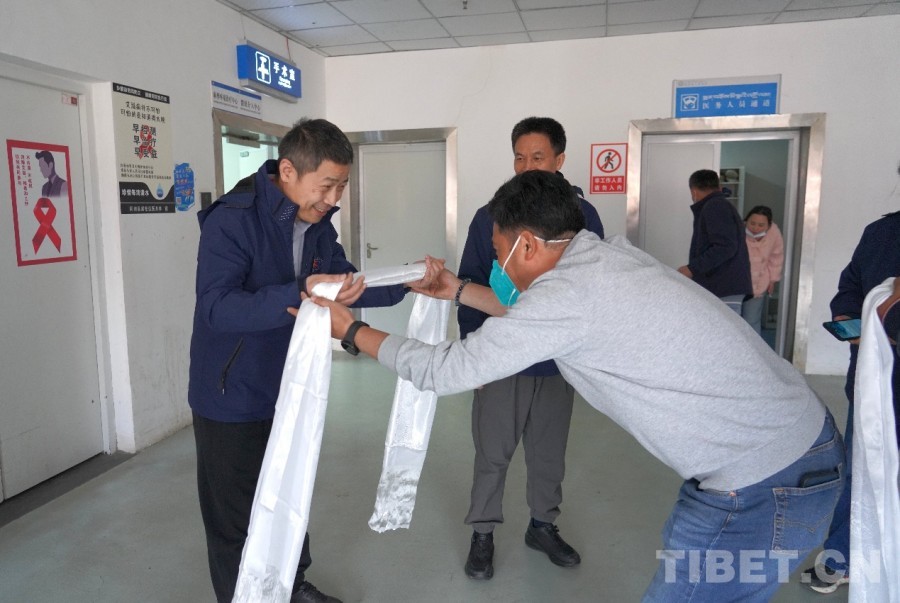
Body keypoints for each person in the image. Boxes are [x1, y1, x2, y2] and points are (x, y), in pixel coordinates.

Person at [314, 170, 845, 601]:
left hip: (764, 481)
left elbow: (444, 370)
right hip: (792, 445)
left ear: (526, 244)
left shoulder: (566, 297)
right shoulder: (602, 255)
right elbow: (536, 316)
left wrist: (353, 331)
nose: (497, 264)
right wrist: (456, 290)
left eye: (499, 251)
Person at [188, 118, 429, 603]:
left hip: (291, 384)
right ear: (288, 171)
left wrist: (408, 281)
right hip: (230, 393)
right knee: (236, 518)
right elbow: (217, 307)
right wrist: (299, 290)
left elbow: (344, 285)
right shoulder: (232, 220)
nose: (333, 198)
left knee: (288, 493)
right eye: (327, 185)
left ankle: (292, 585)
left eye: (342, 185)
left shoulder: (317, 224)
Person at [456, 116, 605, 579]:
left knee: (548, 454)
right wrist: (474, 357)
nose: (526, 166)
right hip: (502, 357)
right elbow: (469, 285)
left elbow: (593, 289)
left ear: (559, 160)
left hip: (558, 361)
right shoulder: (489, 216)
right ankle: (483, 533)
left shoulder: (583, 217)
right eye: (519, 157)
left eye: (537, 157)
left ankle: (542, 525)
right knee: (492, 452)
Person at [801, 209, 900, 594]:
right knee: (860, 466)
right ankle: (842, 557)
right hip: (874, 380)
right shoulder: (882, 232)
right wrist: (848, 316)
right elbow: (851, 285)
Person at [677, 169, 752, 314]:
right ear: (719, 187)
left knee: (721, 329)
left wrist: (692, 268)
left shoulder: (715, 206)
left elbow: (725, 247)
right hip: (726, 286)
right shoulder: (720, 205)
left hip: (723, 287)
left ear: (694, 192)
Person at [740, 205, 784, 336]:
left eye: (761, 225)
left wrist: (772, 280)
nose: (755, 228)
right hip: (736, 283)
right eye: (752, 223)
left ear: (768, 226)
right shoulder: (738, 230)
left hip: (759, 283)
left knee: (752, 320)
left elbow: (776, 258)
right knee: (731, 319)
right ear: (746, 221)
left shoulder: (774, 234)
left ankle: (752, 348)